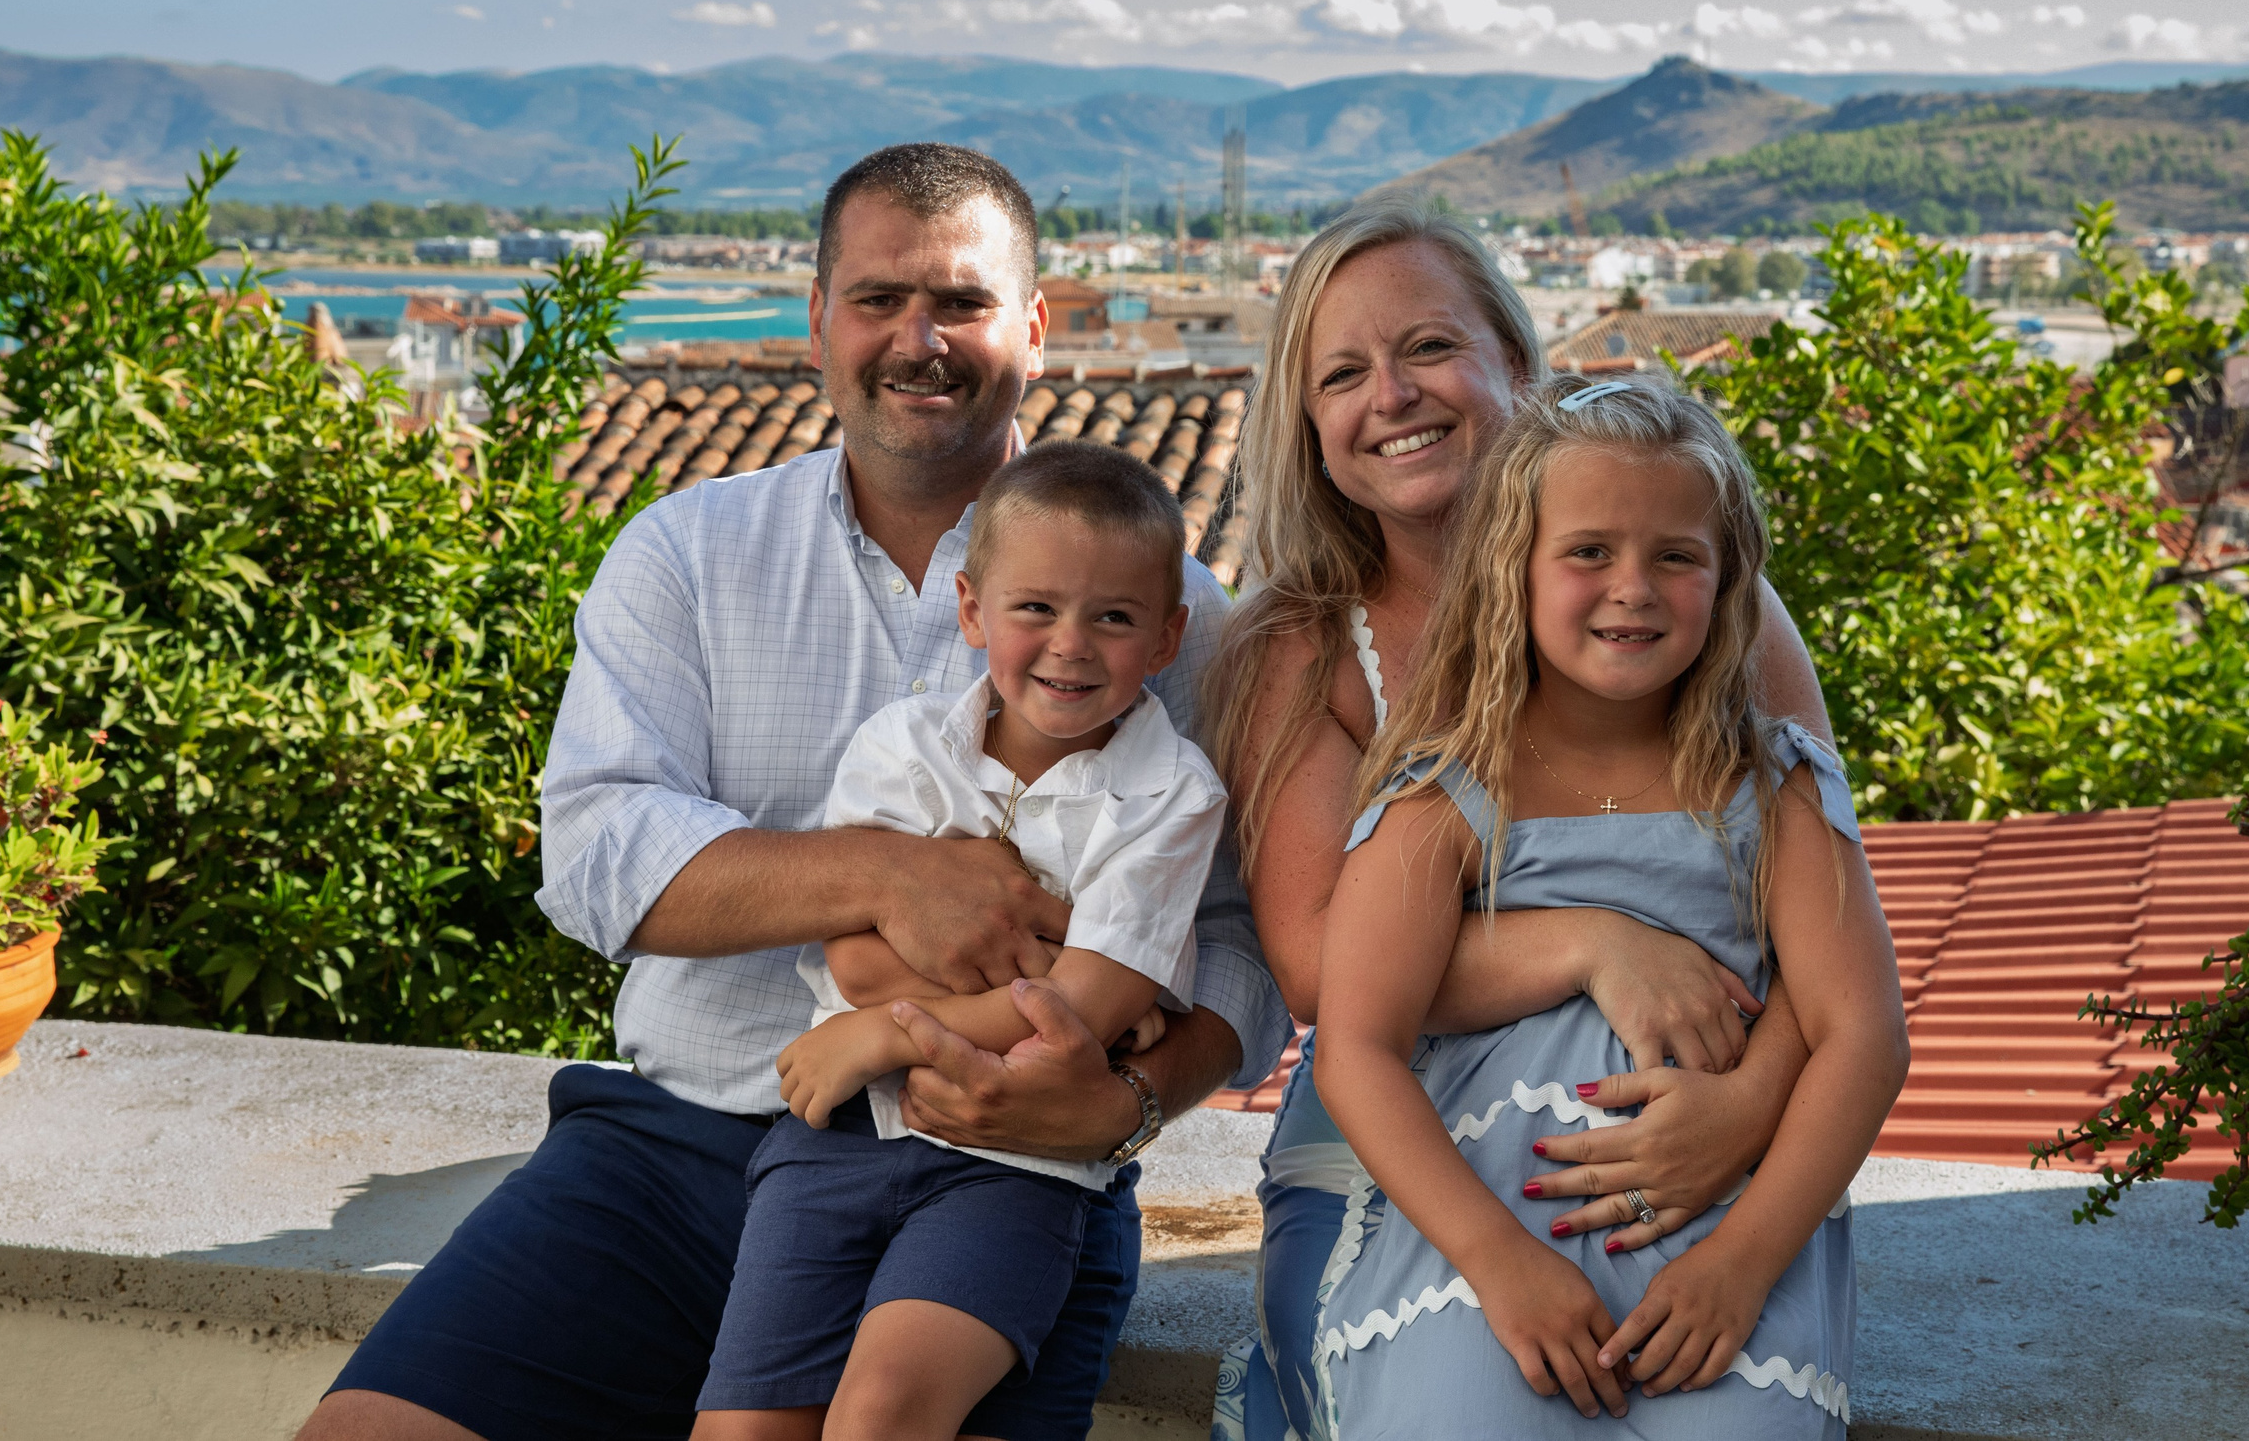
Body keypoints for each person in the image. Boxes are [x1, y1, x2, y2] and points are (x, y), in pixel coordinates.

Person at [302, 145, 1289, 1441]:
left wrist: (1133, 1101)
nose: (918, 339)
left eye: (962, 302)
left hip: (999, 1162)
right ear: (817, 319)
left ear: (1036, 328)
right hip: (672, 1152)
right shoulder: (687, 553)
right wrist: (883, 871)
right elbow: (595, 849)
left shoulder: (1173, 615)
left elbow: (1240, 933)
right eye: (878, 299)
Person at [1203, 201, 1840, 1441]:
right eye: (1341, 373)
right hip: (1409, 1158)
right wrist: (1593, 939)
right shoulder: (1297, 647)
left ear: (1517, 363)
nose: (1390, 394)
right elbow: (1322, 971)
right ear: (1309, 429)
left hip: (1691, 1154)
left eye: (1428, 349)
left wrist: (1755, 1107)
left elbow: (1819, 931)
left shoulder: (1711, 614)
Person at [1309, 375, 1909, 1436]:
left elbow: (1862, 1036)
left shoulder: (1776, 788)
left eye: (1675, 555)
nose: (1632, 587)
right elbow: (1356, 1043)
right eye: (1588, 551)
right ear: (1514, 569)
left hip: (1725, 1239)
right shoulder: (1442, 792)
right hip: (1480, 1242)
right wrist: (1498, 1265)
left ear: (1726, 584)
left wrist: (1742, 1263)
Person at [694, 441, 1226, 1440]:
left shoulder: (1172, 793)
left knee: (886, 1415)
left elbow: (1082, 1014)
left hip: (1019, 1163)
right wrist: (1072, 989)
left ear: (1165, 639)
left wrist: (887, 1036)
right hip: (836, 1148)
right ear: (973, 610)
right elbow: (855, 960)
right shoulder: (901, 746)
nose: (1069, 644)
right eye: (1036, 609)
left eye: (1112, 617)